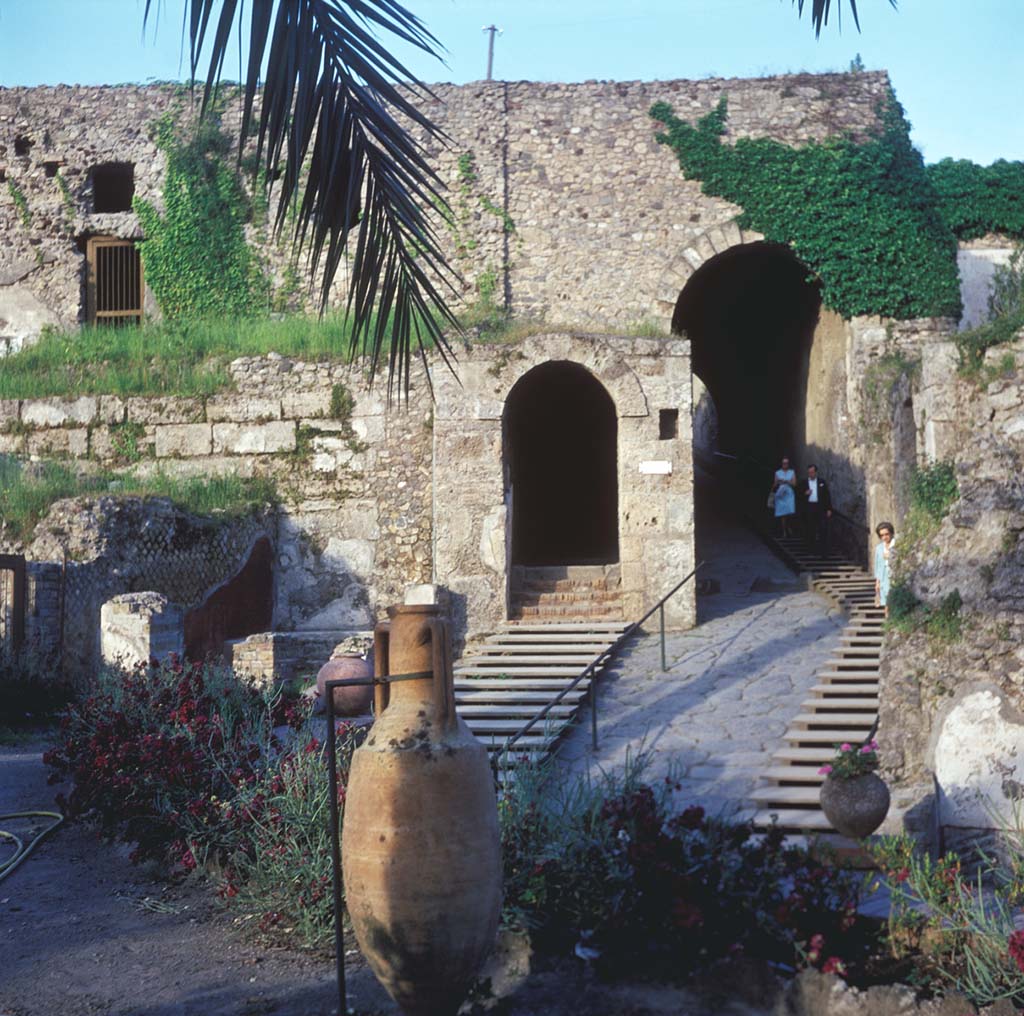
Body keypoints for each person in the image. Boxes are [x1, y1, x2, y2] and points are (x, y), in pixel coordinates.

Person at [800, 464, 833, 554]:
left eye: (812, 472)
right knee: (810, 528)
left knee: (822, 528)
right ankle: (811, 549)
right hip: (809, 507)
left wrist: (829, 509)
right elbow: (798, 496)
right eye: (809, 473)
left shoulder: (821, 482)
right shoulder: (804, 483)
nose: (810, 474)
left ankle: (823, 549)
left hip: (820, 507)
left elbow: (827, 496)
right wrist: (805, 494)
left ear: (816, 472)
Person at [874, 521, 895, 617]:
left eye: (887, 534)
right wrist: (877, 582)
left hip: (894, 574)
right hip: (883, 576)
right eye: (882, 535)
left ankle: (889, 618)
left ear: (891, 533)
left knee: (891, 598)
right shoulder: (879, 548)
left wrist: (891, 556)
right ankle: (888, 617)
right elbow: (877, 565)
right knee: (886, 599)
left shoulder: (896, 544)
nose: (884, 537)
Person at [772, 456, 797, 537]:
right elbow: (774, 485)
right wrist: (778, 482)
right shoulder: (777, 473)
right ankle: (784, 531)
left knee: (790, 512)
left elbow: (794, 484)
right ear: (781, 464)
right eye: (784, 463)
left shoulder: (792, 472)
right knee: (783, 513)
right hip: (781, 494)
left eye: (786, 463)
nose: (785, 464)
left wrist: (787, 481)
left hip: (789, 494)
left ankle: (788, 526)